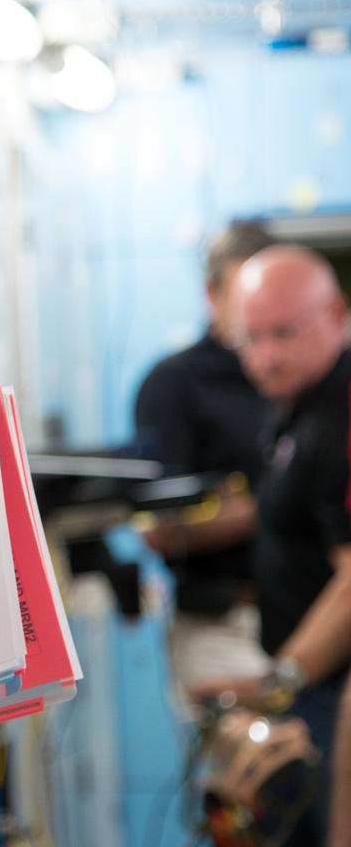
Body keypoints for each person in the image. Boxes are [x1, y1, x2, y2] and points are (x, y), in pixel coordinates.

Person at [192, 244, 351, 846]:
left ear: (336, 314)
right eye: (248, 338)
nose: (264, 357)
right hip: (309, 689)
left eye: (283, 333)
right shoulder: (296, 410)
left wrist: (280, 682)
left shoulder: (341, 415)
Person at [134, 221, 275, 690]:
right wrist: (270, 504)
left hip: (310, 613)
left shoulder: (309, 381)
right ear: (212, 295)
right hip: (222, 626)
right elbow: (157, 528)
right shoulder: (174, 385)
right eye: (245, 294)